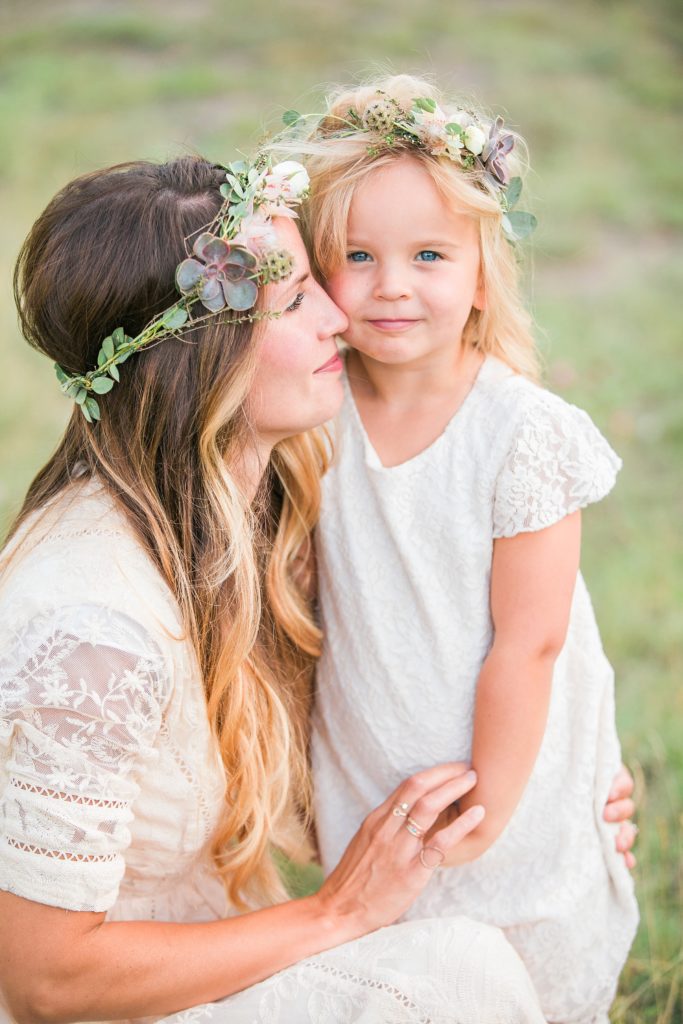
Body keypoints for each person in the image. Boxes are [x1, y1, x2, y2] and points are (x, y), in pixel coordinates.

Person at [0, 154, 551, 1024]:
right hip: (107, 1006)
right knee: (456, 976)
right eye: (295, 299)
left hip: (209, 952)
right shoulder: (91, 629)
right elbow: (44, 982)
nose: (342, 314)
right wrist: (338, 912)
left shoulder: (260, 503)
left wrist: (553, 779)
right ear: (201, 361)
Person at [276, 75, 640, 1024]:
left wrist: (486, 814)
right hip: (373, 733)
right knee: (399, 967)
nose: (392, 283)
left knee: (519, 965)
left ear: (481, 270)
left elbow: (531, 643)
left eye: (429, 254)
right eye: (358, 255)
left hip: (502, 769)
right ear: (319, 273)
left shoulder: (520, 431)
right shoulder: (316, 412)